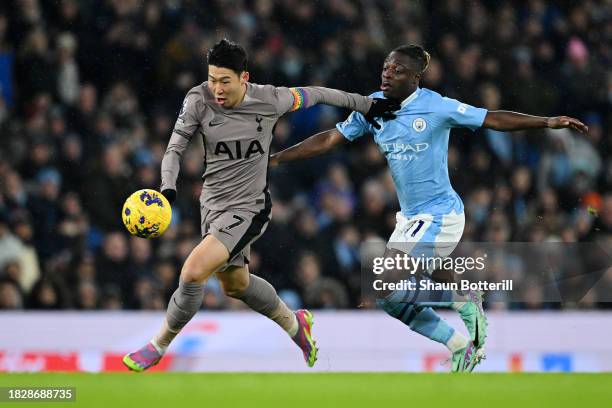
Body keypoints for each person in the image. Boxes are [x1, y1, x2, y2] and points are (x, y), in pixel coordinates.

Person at [270, 44, 588, 372]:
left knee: (385, 279)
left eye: (398, 71)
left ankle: (463, 298)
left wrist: (548, 121)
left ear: (416, 79)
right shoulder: (373, 107)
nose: (387, 74)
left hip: (441, 213)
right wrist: (278, 158)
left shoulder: (435, 106)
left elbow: (491, 119)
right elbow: (330, 139)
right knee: (389, 298)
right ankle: (458, 344)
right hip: (410, 219)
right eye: (385, 68)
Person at [123, 39, 399, 372]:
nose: (217, 89)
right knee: (235, 284)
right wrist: (167, 188)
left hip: (250, 207)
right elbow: (174, 148)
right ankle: (296, 325)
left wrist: (367, 105)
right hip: (212, 205)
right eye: (212, 79)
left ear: (244, 77)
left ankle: (158, 345)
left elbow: (320, 93)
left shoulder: (271, 99)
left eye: (225, 81)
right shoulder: (197, 99)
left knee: (193, 271)